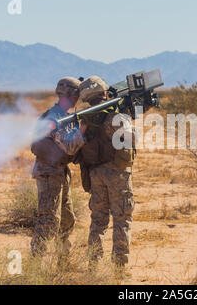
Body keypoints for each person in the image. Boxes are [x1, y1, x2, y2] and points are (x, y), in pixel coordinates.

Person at [75, 76, 136, 271]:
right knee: (121, 219)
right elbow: (131, 139)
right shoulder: (115, 115)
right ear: (104, 92)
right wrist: (127, 116)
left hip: (95, 174)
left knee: (98, 221)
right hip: (117, 173)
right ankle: (119, 269)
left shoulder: (86, 118)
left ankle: (93, 267)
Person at [30, 77, 87, 260]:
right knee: (48, 221)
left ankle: (63, 262)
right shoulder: (53, 117)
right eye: (77, 94)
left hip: (60, 171)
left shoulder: (65, 116)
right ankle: (36, 265)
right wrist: (84, 129)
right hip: (49, 172)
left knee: (67, 219)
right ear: (71, 94)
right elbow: (69, 147)